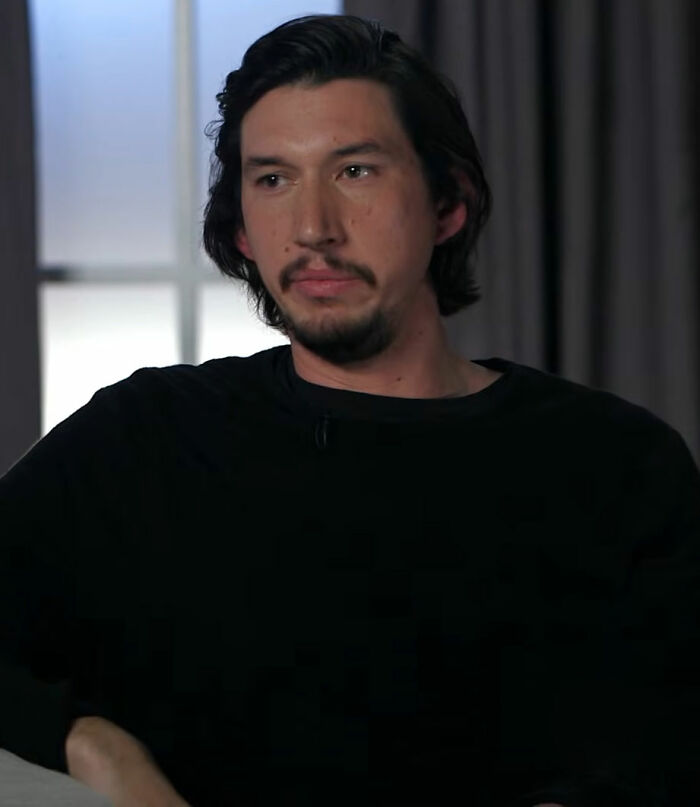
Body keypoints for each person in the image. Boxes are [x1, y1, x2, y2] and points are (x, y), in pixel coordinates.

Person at [1, 12, 699, 807]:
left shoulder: (616, 464)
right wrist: (96, 744)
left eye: (356, 171)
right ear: (240, 230)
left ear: (449, 205)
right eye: (272, 179)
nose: (312, 228)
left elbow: (659, 754)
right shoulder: (146, 438)